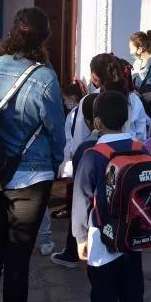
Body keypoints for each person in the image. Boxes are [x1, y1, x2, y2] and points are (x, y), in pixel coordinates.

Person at [0, 8, 65, 302]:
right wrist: (54, 164)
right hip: (30, 179)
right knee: (16, 262)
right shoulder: (44, 77)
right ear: (43, 38)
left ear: (12, 31)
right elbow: (55, 129)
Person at [72, 91, 149, 302]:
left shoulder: (92, 156)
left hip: (102, 234)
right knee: (132, 286)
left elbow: (81, 199)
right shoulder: (140, 149)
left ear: (97, 122)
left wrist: (80, 237)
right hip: (134, 232)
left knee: (104, 289)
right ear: (126, 119)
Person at [51, 92, 99, 268]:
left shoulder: (86, 149)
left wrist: (79, 236)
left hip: (93, 212)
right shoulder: (130, 146)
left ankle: (72, 252)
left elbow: (81, 197)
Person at [52, 80, 88, 220]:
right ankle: (69, 206)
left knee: (72, 181)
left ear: (73, 98)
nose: (65, 102)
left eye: (66, 99)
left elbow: (74, 134)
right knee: (70, 181)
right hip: (71, 150)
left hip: (73, 151)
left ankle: (70, 208)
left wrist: (72, 151)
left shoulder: (75, 113)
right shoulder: (77, 111)